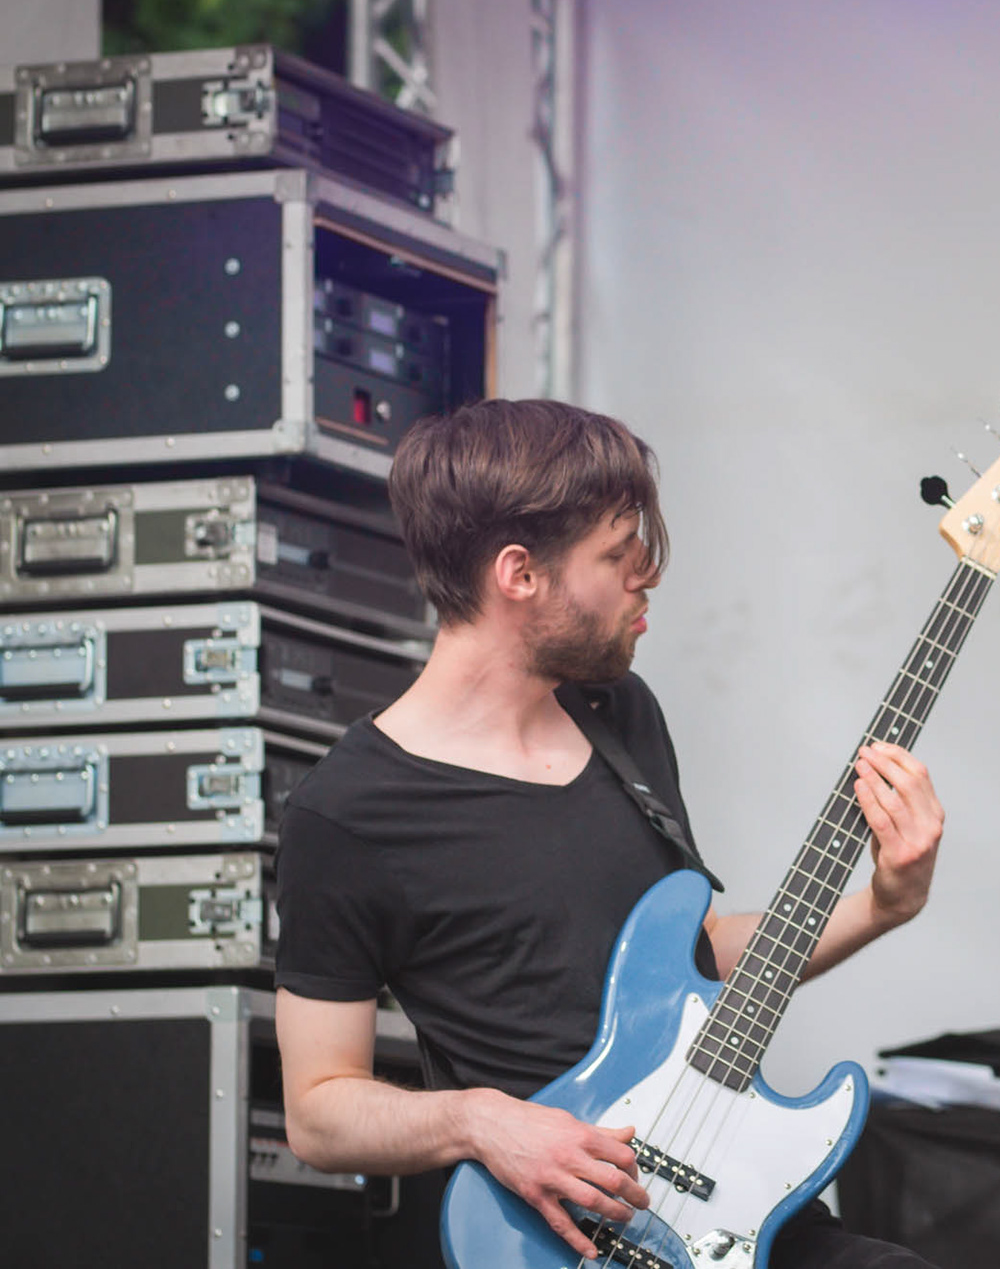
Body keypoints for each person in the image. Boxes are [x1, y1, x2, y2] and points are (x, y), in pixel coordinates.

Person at [275, 398, 943, 1267]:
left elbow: (695, 956)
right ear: (520, 575)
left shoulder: (618, 715)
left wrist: (883, 905)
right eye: (619, 555)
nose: (647, 577)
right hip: (562, 1238)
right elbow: (318, 1110)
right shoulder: (347, 812)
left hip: (724, 1209)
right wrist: (483, 1121)